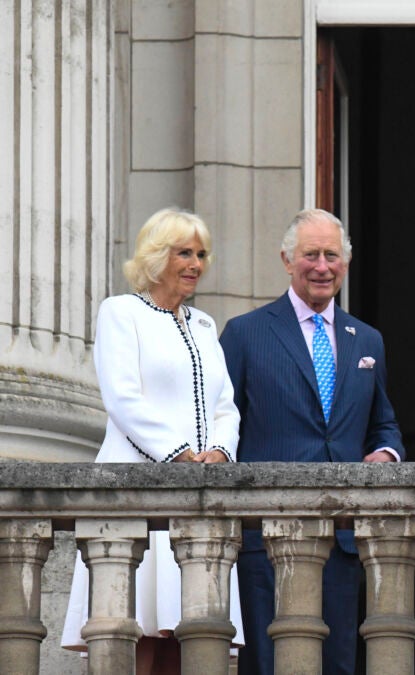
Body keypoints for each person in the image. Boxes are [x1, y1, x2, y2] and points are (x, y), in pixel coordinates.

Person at [219, 208, 404, 675]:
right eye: (310, 254)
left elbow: (384, 423)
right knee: (266, 662)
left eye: (332, 255)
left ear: (345, 262)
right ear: (286, 260)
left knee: (337, 662)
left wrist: (386, 453)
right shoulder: (245, 333)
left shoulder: (367, 340)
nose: (322, 266)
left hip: (342, 538)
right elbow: (221, 425)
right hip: (263, 537)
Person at [61, 207, 244, 673]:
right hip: (137, 485)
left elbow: (225, 403)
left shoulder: (203, 325)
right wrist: (178, 454)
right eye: (184, 252)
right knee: (134, 632)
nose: (195, 264)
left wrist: (220, 450)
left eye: (201, 254)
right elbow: (123, 399)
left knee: (190, 637)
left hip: (198, 494)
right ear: (157, 256)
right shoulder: (121, 312)